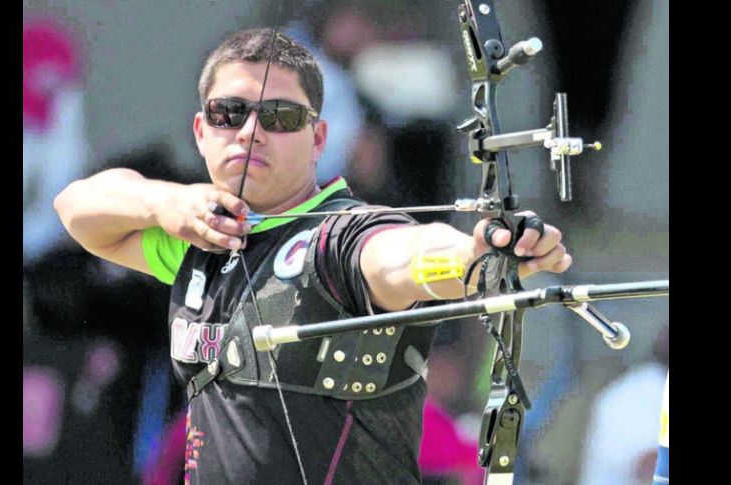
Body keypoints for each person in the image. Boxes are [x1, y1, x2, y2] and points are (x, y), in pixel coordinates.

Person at [54, 28, 571, 485]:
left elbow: (401, 257)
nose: (251, 130)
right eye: (228, 113)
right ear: (201, 130)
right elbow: (75, 208)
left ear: (318, 138)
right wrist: (167, 203)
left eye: (280, 116)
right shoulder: (200, 238)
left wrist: (477, 257)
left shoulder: (341, 239)